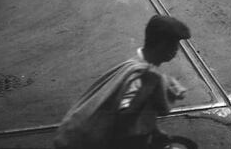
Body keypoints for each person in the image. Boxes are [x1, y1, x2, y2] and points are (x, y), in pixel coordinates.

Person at [54, 15, 192, 149]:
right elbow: (125, 116)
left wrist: (155, 131)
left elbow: (141, 110)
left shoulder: (133, 65)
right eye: (174, 44)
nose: (176, 50)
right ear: (162, 44)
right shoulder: (142, 78)